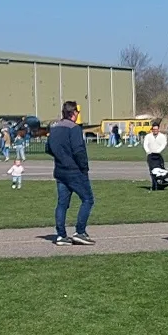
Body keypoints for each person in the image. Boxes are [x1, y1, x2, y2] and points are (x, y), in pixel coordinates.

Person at [47, 101, 95, 245]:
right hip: (74, 170)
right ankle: (80, 232)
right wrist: (84, 167)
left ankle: (61, 235)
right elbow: (78, 150)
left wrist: (60, 156)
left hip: (60, 170)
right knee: (88, 199)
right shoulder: (74, 128)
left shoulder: (54, 127)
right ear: (73, 113)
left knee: (62, 203)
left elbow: (48, 148)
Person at [142, 125, 168, 190]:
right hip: (150, 155)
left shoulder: (162, 136)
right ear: (152, 130)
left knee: (160, 169)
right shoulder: (148, 136)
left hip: (158, 155)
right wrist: (148, 151)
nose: (155, 131)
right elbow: (145, 144)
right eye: (154, 129)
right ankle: (154, 184)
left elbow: (163, 144)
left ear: (158, 130)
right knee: (152, 171)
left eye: (156, 129)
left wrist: (158, 151)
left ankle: (161, 184)